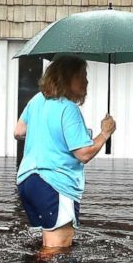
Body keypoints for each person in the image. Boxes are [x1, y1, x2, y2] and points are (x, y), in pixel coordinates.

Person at [13, 56, 116, 251]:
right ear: (65, 78)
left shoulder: (37, 100)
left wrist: (45, 134)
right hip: (54, 184)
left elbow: (18, 132)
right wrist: (105, 133)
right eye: (81, 76)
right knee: (58, 248)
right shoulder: (69, 109)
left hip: (28, 181)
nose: (86, 81)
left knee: (48, 243)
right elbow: (83, 154)